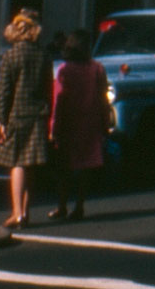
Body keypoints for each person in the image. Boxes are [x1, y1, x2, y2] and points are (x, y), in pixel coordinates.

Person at [0, 9, 53, 228]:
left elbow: (5, 92)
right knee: (31, 165)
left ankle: (16, 212)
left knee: (17, 164)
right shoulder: (44, 55)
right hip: (38, 115)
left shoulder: (12, 55)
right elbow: (48, 89)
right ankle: (25, 213)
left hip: (17, 115)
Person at [48, 30, 110, 222]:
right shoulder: (97, 68)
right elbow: (103, 99)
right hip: (91, 123)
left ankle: (61, 206)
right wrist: (105, 123)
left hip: (69, 123)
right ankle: (80, 206)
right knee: (85, 168)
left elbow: (58, 100)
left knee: (63, 168)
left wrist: (53, 128)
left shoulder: (64, 70)